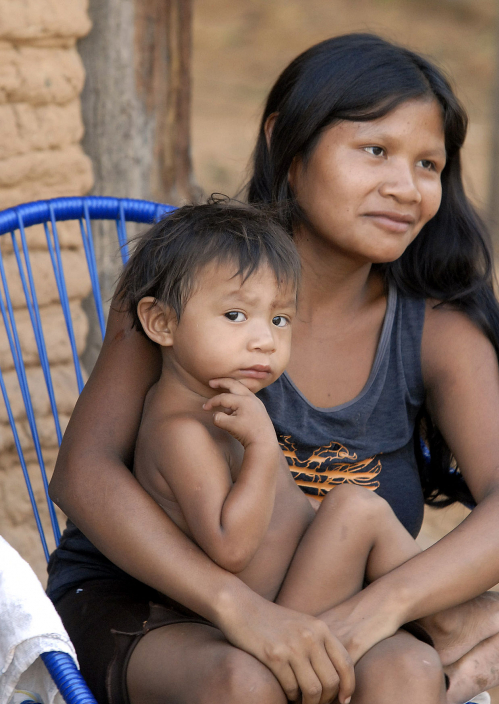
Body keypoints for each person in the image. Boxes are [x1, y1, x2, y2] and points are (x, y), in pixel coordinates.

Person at [47, 34, 499, 704]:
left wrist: (382, 609)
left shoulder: (435, 332)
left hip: (320, 617)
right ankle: (436, 627)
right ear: (286, 141)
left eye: (429, 165)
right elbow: (84, 474)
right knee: (242, 681)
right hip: (146, 611)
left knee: (409, 673)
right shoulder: (192, 289)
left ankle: (426, 632)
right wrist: (238, 610)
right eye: (373, 151)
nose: (406, 186)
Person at [122, 201, 459, 654]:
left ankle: (443, 621)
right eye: (236, 316)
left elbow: (291, 518)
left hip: (293, 596)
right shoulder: (181, 431)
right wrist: (264, 446)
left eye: (279, 319)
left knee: (353, 509)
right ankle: (449, 626)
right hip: (271, 624)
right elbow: (231, 548)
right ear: (161, 322)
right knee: (358, 511)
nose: (265, 339)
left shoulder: (222, 408)